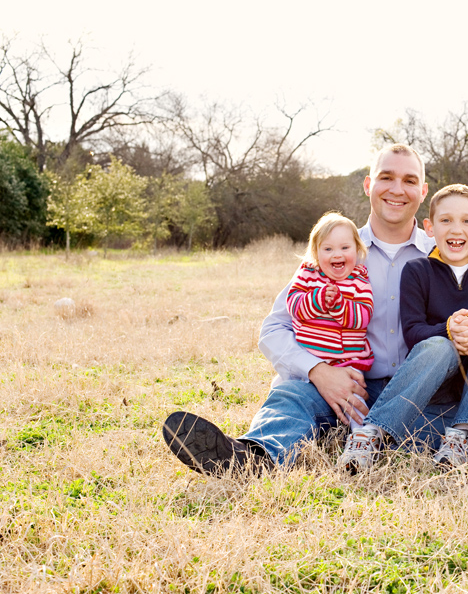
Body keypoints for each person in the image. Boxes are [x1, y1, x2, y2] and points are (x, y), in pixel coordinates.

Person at [162, 143, 434, 475]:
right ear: (368, 185)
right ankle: (251, 458)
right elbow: (274, 331)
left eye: (409, 180)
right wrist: (319, 372)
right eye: (386, 177)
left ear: (423, 191)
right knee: (293, 397)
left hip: (416, 390)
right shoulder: (335, 250)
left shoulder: (441, 254)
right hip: (348, 382)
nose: (396, 189)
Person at [337, 184, 468, 471]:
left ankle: (462, 437)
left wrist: (466, 332)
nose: (456, 230)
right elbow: (413, 332)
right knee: (438, 345)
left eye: (467, 221)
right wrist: (448, 330)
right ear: (430, 228)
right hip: (430, 391)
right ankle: (371, 434)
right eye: (446, 220)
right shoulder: (417, 271)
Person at [287, 212, 373, 428]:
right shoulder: (308, 274)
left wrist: (339, 306)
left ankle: (360, 438)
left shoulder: (359, 279)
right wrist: (317, 299)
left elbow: (363, 317)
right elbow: (294, 305)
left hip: (347, 364)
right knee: (284, 393)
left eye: (345, 248)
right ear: (316, 253)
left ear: (357, 249)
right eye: (328, 249)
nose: (337, 254)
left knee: (356, 404)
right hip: (309, 361)